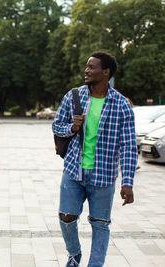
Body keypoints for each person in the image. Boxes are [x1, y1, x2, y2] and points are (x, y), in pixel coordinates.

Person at [52, 51, 138, 267]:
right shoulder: (74, 96)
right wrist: (72, 127)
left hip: (104, 175)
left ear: (106, 72)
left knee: (100, 224)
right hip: (73, 171)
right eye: (87, 66)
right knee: (66, 217)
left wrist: (127, 182)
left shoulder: (121, 104)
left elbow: (128, 145)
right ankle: (74, 252)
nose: (86, 70)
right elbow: (56, 126)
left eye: (92, 67)